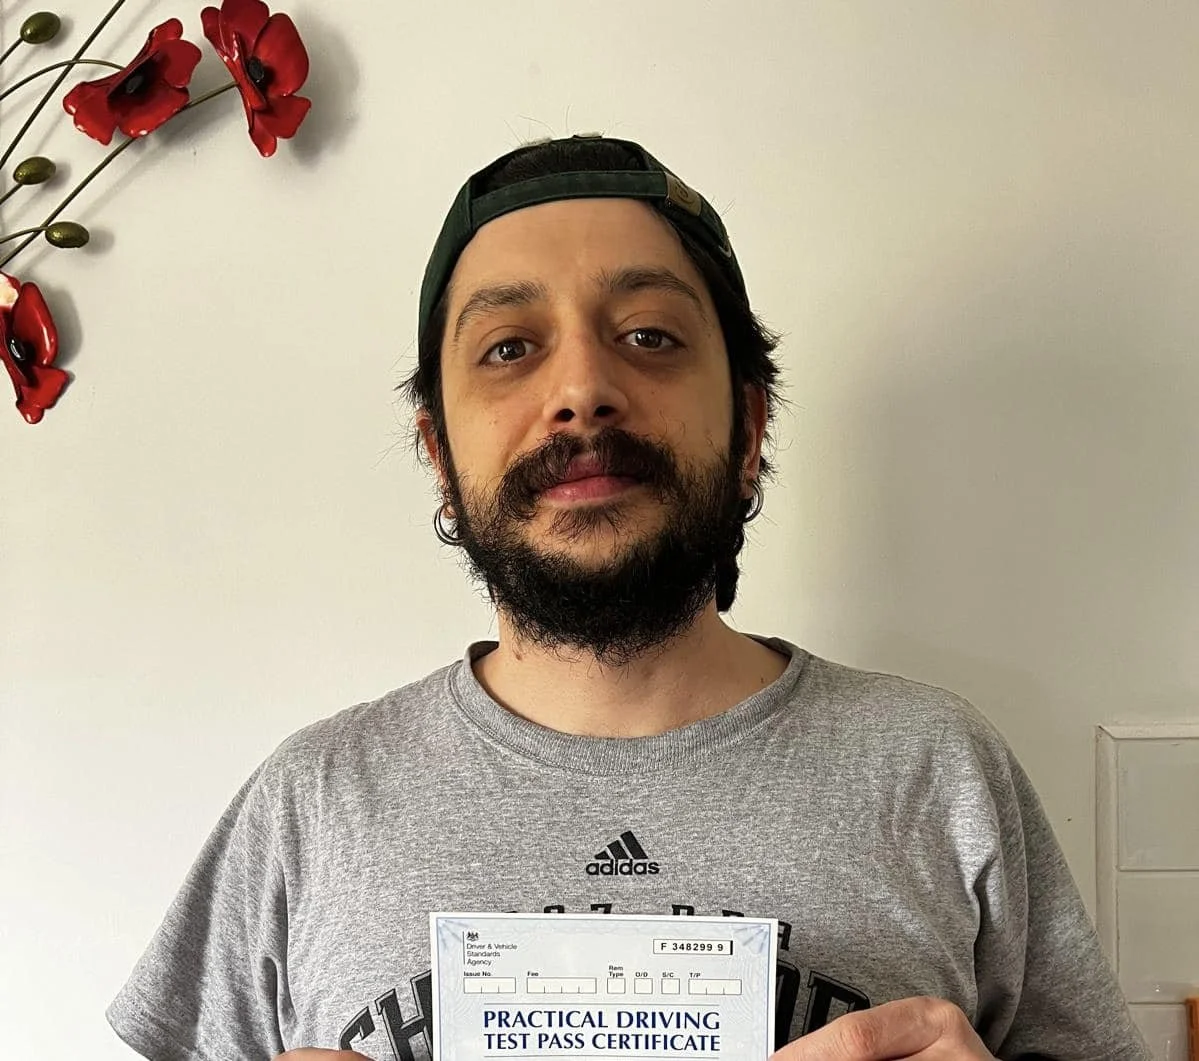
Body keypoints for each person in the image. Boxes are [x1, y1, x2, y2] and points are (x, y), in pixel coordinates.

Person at [106, 134, 1150, 1061]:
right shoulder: (310, 801)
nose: (580, 389)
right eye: (508, 348)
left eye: (648, 335)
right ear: (437, 451)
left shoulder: (938, 765)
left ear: (747, 427)